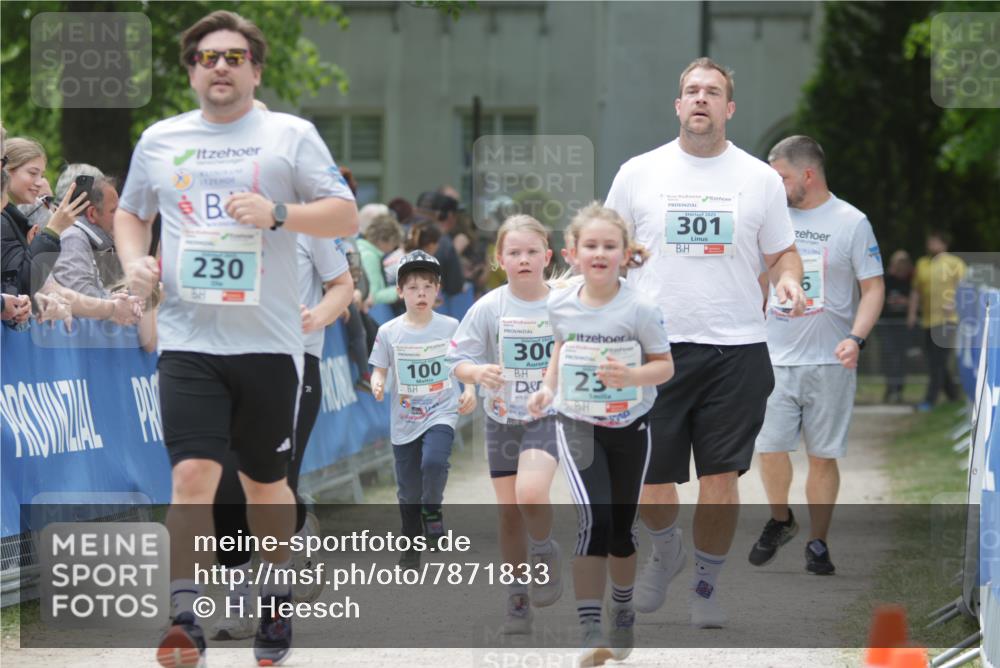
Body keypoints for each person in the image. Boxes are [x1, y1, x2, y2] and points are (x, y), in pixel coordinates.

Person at [113, 10, 358, 667]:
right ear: (192, 71)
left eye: (234, 56)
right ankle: (184, 619)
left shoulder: (289, 135)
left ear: (255, 69)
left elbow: (344, 214)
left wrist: (279, 212)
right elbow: (131, 213)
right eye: (207, 57)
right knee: (192, 476)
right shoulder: (161, 139)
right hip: (188, 342)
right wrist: (134, 261)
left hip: (270, 346)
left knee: (265, 487)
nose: (220, 66)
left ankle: (274, 601)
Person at [604, 57, 805, 628]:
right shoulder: (638, 173)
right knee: (649, 480)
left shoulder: (758, 179)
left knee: (719, 477)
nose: (700, 99)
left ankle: (706, 586)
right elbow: (607, 248)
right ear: (677, 105)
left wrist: (789, 279)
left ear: (728, 108)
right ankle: (666, 548)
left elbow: (782, 253)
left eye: (712, 92)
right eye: (691, 90)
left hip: (736, 348)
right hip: (654, 349)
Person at [526, 203, 673, 665]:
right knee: (595, 521)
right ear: (573, 253)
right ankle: (590, 630)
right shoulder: (559, 303)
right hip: (577, 423)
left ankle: (622, 608)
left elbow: (664, 366)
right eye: (590, 245)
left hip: (630, 425)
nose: (600, 253)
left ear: (626, 254)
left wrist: (632, 377)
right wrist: (547, 388)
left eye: (610, 246)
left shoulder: (641, 308)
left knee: (622, 530)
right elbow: (561, 348)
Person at [748, 135, 885, 576]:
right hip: (774, 357)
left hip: (830, 360)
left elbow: (873, 288)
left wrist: (856, 338)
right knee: (770, 448)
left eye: (782, 177)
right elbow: (754, 279)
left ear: (808, 174)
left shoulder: (852, 222)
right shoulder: (771, 221)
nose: (775, 185)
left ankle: (818, 542)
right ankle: (781, 519)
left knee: (823, 456)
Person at [211, 236, 354, 642]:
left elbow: (342, 285)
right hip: (227, 362)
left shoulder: (307, 223)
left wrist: (315, 317)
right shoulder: (213, 219)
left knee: (272, 483)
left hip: (294, 362)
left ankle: (293, 543)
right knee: (224, 486)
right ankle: (239, 605)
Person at [449, 215, 563, 635]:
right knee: (509, 512)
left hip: (548, 416)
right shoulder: (489, 306)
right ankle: (517, 599)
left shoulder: (565, 304)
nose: (524, 259)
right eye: (514, 252)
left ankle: (544, 549)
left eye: (532, 251)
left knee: (530, 493)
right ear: (500, 259)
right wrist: (477, 373)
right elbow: (456, 359)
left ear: (547, 257)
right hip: (502, 419)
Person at [369, 251, 476, 570]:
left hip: (442, 409)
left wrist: (470, 390)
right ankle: (410, 547)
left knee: (433, 462)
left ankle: (433, 509)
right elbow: (379, 368)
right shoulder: (388, 331)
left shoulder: (450, 326)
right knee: (408, 491)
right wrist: (378, 382)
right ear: (399, 291)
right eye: (413, 287)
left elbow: (465, 363)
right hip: (404, 419)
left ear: (437, 290)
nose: (421, 294)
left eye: (428, 286)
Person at [1, 137, 89, 297]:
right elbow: (24, 284)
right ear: (6, 169)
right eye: (32, 173)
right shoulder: (4, 221)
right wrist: (53, 229)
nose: (40, 182)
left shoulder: (15, 219)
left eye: (41, 175)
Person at [908, 230, 966, 411]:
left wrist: (955, 303)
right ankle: (953, 396)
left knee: (937, 362)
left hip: (947, 320)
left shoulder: (955, 263)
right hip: (928, 320)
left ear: (944, 244)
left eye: (934, 241)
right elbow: (916, 290)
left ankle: (929, 401)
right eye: (929, 241)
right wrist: (912, 313)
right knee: (935, 361)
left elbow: (965, 288)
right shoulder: (922, 263)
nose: (930, 244)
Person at [51, 173, 122, 298]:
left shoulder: (91, 240)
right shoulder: (74, 238)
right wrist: (116, 302)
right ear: (92, 214)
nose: (120, 216)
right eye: (113, 211)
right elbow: (79, 293)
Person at [881, 250, 914, 403]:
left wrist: (906, 302)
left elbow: (915, 298)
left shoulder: (911, 280)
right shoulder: (886, 279)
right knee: (889, 356)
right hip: (887, 323)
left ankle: (898, 389)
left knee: (901, 358)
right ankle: (890, 388)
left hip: (903, 324)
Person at [357, 213, 403, 309]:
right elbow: (372, 297)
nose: (392, 249)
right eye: (394, 245)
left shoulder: (361, 248)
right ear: (384, 240)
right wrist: (404, 290)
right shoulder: (369, 256)